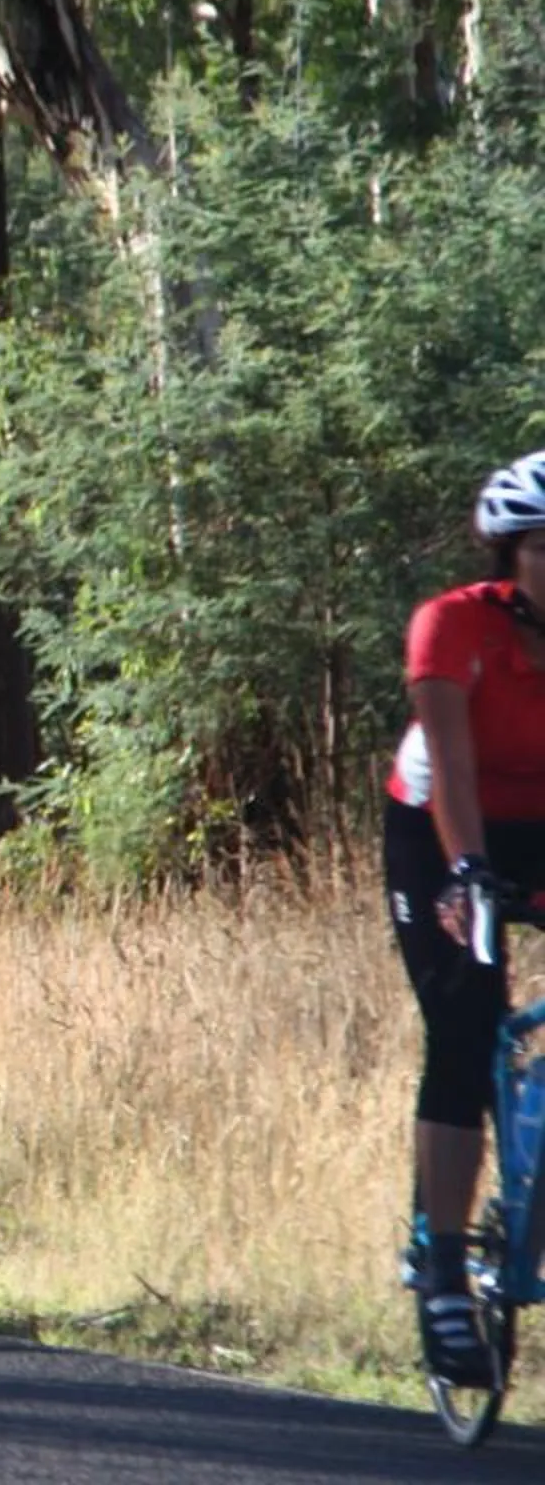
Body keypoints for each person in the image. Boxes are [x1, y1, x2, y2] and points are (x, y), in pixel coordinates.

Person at [388, 449, 545, 1387]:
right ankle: (444, 1264)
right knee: (466, 1018)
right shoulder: (452, 626)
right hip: (440, 827)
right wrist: (469, 876)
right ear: (512, 555)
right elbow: (446, 762)